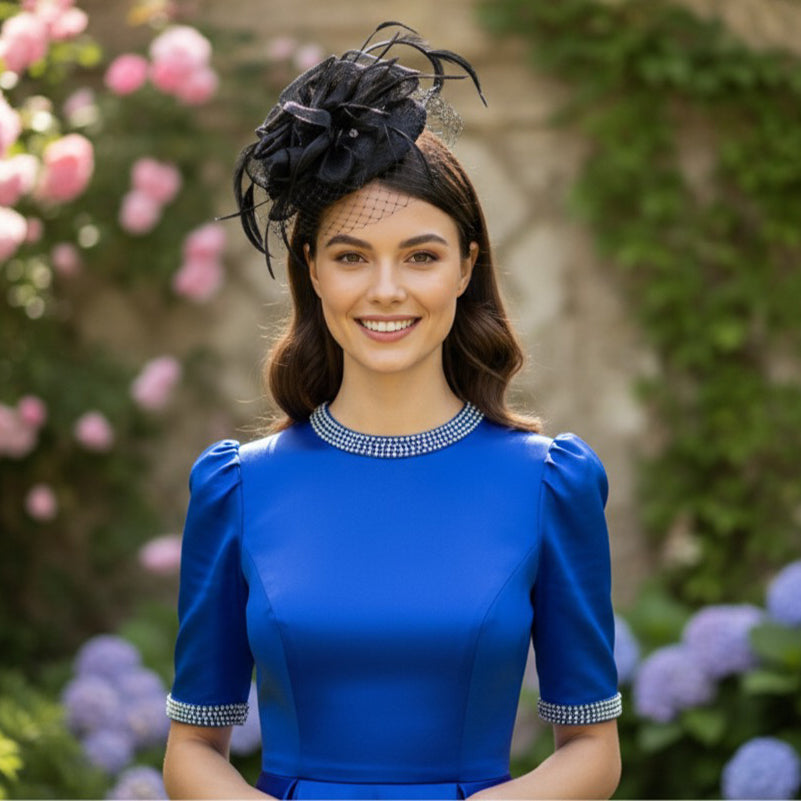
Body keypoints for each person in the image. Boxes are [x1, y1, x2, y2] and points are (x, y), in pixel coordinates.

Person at [162, 22, 622, 800]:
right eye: (351, 256)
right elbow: (192, 749)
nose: (385, 290)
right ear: (311, 270)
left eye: (420, 255)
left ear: (465, 266)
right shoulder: (237, 487)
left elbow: (591, 747)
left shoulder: (548, 483)